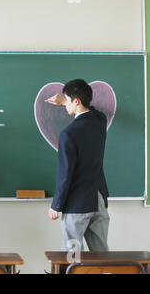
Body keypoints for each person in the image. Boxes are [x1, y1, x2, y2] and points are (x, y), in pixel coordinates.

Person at [46, 79, 110, 252]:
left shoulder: (68, 134)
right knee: (102, 254)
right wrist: (66, 101)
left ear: (76, 101)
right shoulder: (99, 122)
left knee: (72, 256)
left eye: (67, 100)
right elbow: (93, 111)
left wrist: (56, 204)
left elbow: (65, 174)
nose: (64, 104)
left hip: (77, 204)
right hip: (98, 199)